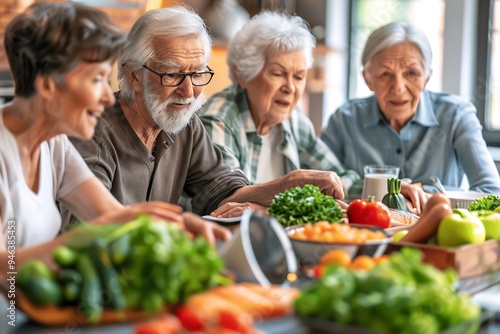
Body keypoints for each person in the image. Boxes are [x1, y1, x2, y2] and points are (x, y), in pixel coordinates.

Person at [62, 5, 348, 223]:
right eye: (173, 74)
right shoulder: (93, 131)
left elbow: (221, 192)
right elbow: (90, 228)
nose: (188, 91)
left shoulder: (183, 124)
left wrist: (287, 185)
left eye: (198, 73)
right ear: (135, 76)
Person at [0, 3, 227, 273]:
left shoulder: (54, 143)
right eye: (97, 80)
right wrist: (77, 241)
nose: (108, 97)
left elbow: (112, 216)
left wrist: (180, 227)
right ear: (49, 86)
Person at [200, 12, 425, 212]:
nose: (290, 87)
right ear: (243, 74)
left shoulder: (293, 120)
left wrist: (389, 187)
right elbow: (226, 201)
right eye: (278, 73)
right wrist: (289, 185)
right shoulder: (219, 118)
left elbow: (336, 179)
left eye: (298, 76)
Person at [320, 21, 500, 196]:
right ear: (368, 79)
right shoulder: (344, 119)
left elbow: (492, 192)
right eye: (385, 74)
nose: (398, 87)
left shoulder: (456, 115)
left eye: (411, 73)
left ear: (426, 78)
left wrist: (419, 195)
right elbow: (320, 185)